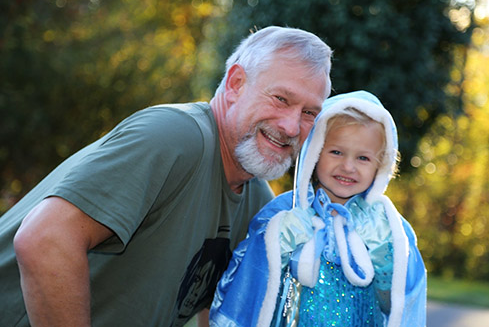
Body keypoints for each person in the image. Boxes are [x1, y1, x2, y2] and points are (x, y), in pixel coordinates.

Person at [0, 26, 333, 327]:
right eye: (280, 99)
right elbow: (44, 240)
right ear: (235, 84)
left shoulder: (258, 200)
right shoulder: (174, 137)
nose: (291, 127)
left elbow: (215, 313)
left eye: (308, 113)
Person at [209, 91, 427, 327]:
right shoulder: (286, 212)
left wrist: (385, 254)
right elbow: (249, 282)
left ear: (381, 165)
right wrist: (276, 242)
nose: (348, 166)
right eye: (336, 152)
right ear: (314, 152)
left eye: (363, 158)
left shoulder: (387, 226)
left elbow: (397, 304)